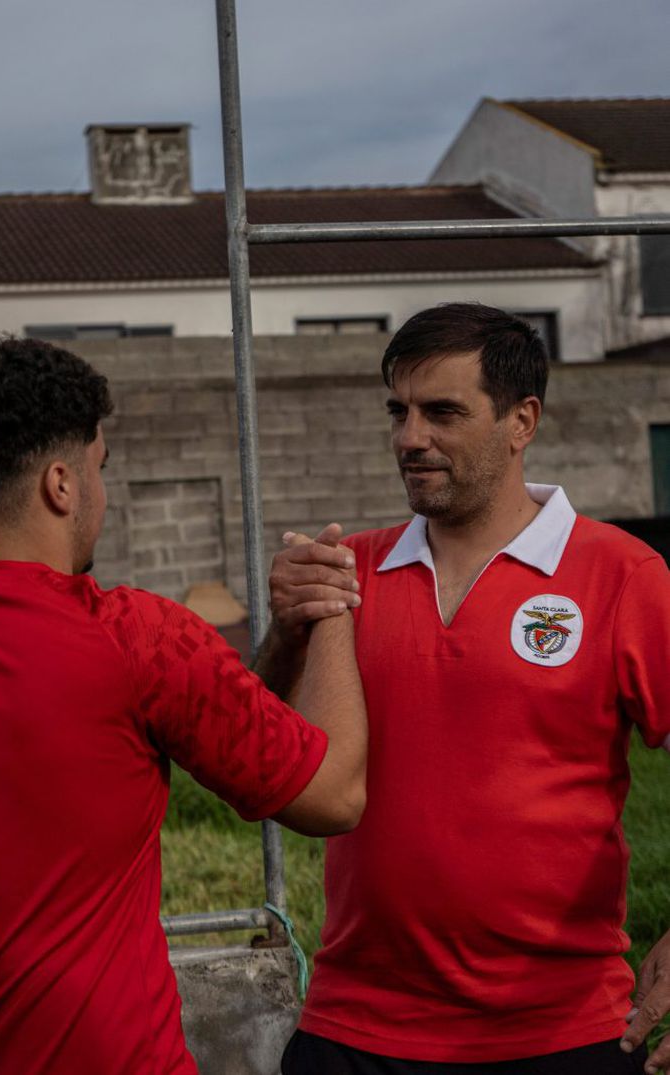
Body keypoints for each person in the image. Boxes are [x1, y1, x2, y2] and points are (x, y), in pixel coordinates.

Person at [0, 336, 368, 1074]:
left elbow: (235, 733)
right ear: (62, 485)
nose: (101, 496)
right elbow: (334, 796)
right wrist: (330, 607)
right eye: (102, 471)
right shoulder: (138, 639)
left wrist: (286, 639)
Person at [260, 304, 670, 1075]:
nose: (409, 438)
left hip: (566, 1030)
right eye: (399, 411)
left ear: (522, 421)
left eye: (442, 411)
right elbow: (268, 754)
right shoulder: (351, 572)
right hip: (358, 1027)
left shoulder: (622, 574)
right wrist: (287, 629)